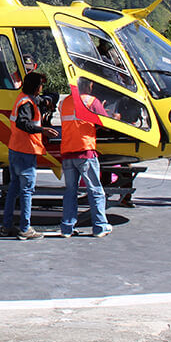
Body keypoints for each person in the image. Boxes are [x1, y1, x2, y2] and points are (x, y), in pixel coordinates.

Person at [0, 72, 59, 240]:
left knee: (14, 189)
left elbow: (40, 101)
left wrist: (48, 100)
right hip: (26, 151)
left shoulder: (24, 98)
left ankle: (6, 226)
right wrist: (43, 130)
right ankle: (25, 228)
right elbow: (23, 123)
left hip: (15, 149)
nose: (42, 88)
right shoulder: (26, 103)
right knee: (27, 191)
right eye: (40, 85)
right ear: (35, 87)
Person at [58, 79, 112, 237]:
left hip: (67, 152)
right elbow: (104, 122)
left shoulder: (64, 102)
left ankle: (67, 228)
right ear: (89, 85)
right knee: (95, 190)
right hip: (85, 151)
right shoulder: (91, 101)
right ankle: (100, 226)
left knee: (70, 191)